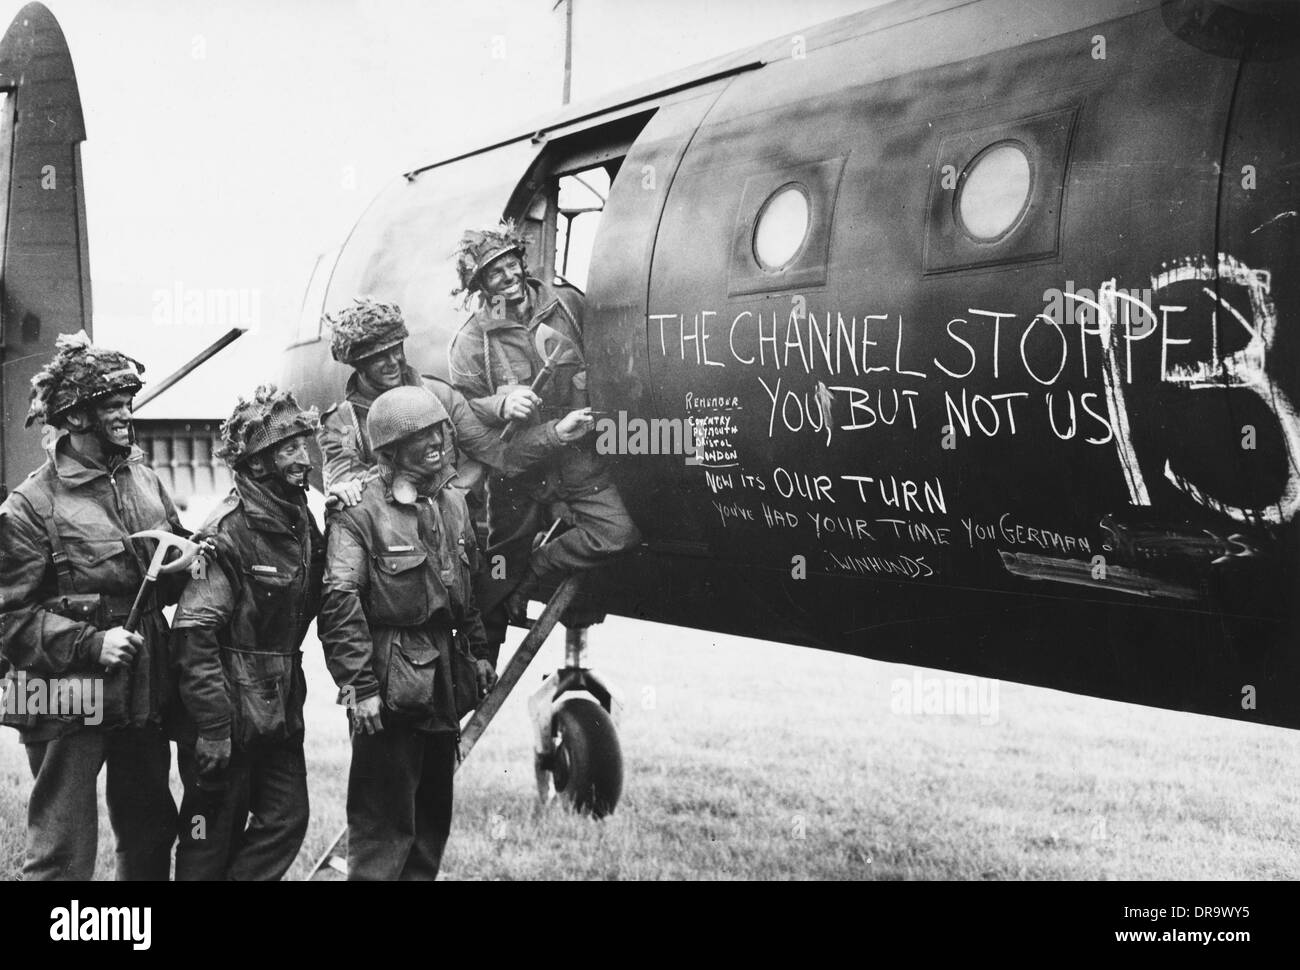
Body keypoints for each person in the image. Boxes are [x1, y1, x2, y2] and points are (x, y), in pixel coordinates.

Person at [0, 331, 182, 880]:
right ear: (75, 418)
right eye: (112, 406)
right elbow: (9, 619)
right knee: (62, 846)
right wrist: (90, 642)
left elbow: (167, 556)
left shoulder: (144, 478)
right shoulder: (30, 506)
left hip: (143, 677)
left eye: (128, 403)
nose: (127, 415)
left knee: (151, 830)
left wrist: (190, 560)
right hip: (64, 689)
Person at [317, 385, 496, 880]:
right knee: (382, 827)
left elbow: (465, 590)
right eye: (419, 436)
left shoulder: (453, 502)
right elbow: (339, 605)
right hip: (389, 684)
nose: (436, 441)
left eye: (438, 429)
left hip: (442, 682)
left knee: (430, 823)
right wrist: (361, 689)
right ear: (390, 451)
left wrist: (478, 652)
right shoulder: (359, 513)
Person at [447, 222, 640, 664]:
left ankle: (540, 567)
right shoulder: (470, 342)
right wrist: (501, 403)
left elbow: (610, 353)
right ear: (480, 285)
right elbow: (465, 415)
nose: (510, 277)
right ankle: (479, 667)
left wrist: (594, 383)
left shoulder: (566, 304)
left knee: (618, 532)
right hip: (518, 473)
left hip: (577, 456)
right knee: (496, 573)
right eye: (495, 273)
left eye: (512, 263)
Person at [170, 385, 323, 880]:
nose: (305, 457)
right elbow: (193, 634)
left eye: (305, 443)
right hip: (225, 711)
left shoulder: (300, 517)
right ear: (257, 465)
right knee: (205, 837)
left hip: (277, 707)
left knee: (286, 819)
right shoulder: (225, 532)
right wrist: (213, 729)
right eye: (289, 448)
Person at [317, 297, 594, 509]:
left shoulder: (439, 396)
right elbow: (344, 480)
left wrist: (555, 433)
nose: (393, 363)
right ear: (357, 364)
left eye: (396, 350)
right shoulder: (342, 424)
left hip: (449, 535)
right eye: (379, 357)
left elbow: (497, 451)